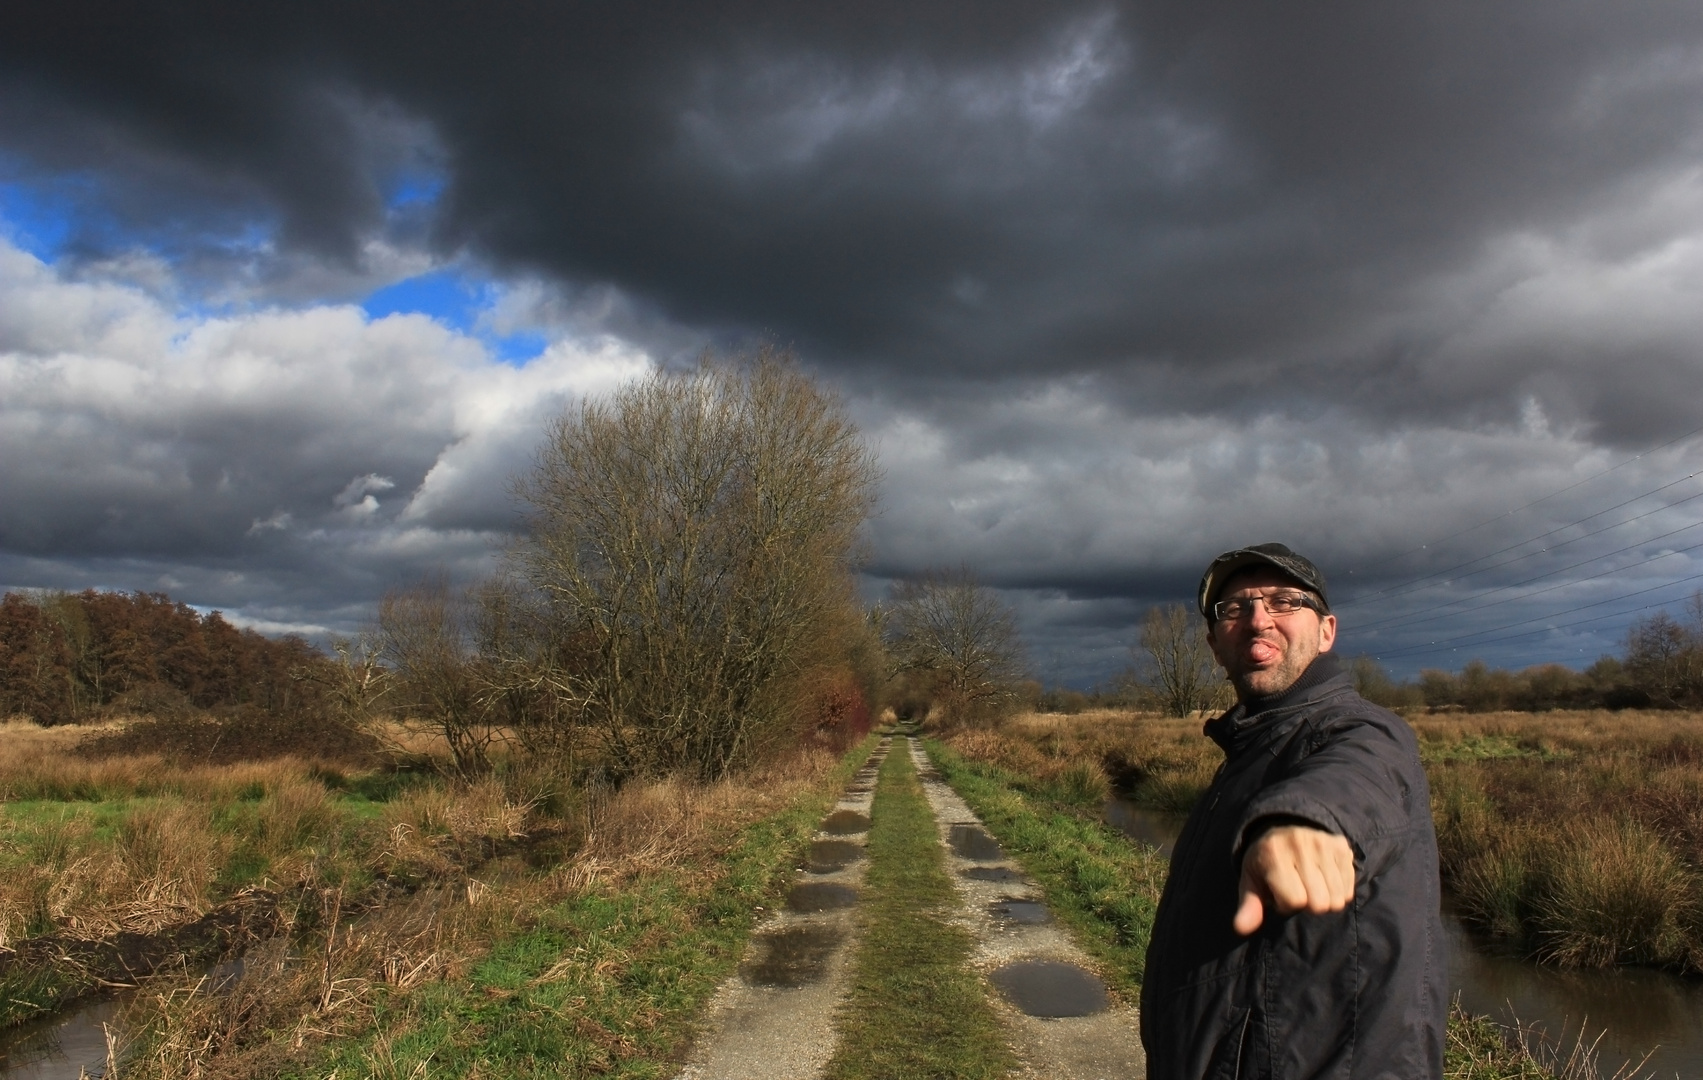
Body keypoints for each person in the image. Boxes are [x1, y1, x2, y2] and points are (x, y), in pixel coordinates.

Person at [1139, 543, 1445, 1080]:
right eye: (1235, 608)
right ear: (1214, 645)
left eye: (1285, 601)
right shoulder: (1249, 746)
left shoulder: (1360, 730)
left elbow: (1360, 775)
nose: (1259, 619)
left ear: (1326, 631)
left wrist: (1306, 822)